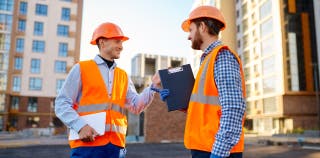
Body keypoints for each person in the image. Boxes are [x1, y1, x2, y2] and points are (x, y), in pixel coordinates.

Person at [55, 22, 160, 158]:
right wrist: (80, 126)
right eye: (117, 41)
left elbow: (136, 106)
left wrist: (152, 87)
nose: (121, 47)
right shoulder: (82, 69)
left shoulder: (123, 75)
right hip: (88, 147)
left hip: (116, 148)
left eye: (121, 43)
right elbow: (61, 103)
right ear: (102, 43)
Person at [155, 6, 246, 158]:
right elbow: (206, 107)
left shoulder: (221, 57)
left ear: (202, 27)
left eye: (191, 30)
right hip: (206, 148)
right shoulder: (207, 61)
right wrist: (177, 99)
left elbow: (234, 108)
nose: (188, 36)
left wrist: (218, 153)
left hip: (217, 151)